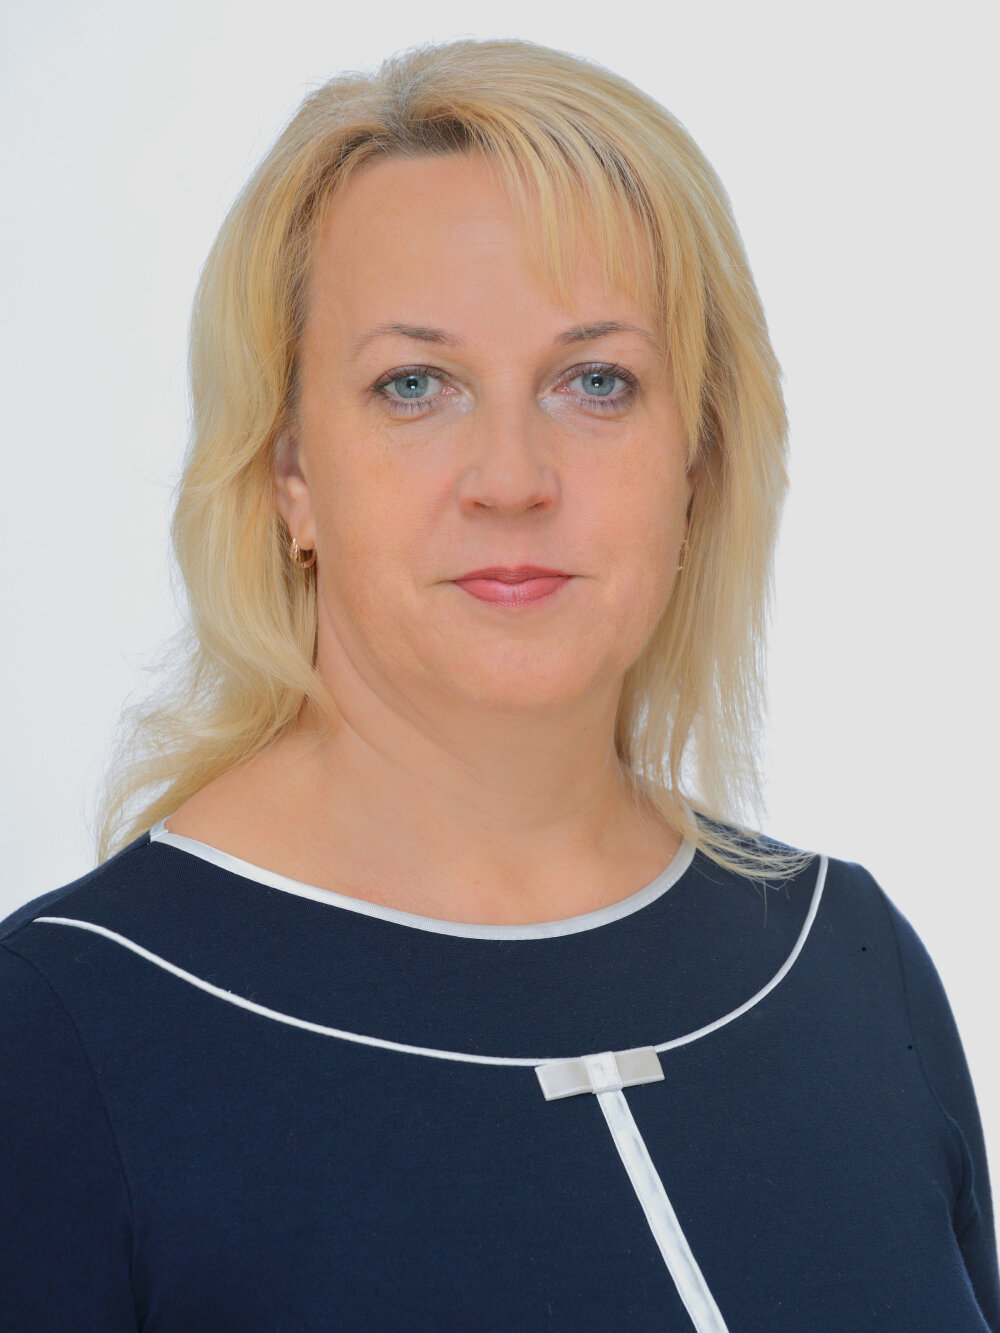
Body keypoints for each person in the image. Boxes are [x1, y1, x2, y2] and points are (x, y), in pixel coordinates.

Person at [1, 36, 996, 1333]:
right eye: (415, 385)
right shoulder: (60, 1036)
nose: (513, 478)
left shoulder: (849, 969)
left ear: (697, 463)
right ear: (289, 472)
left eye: (597, 382)